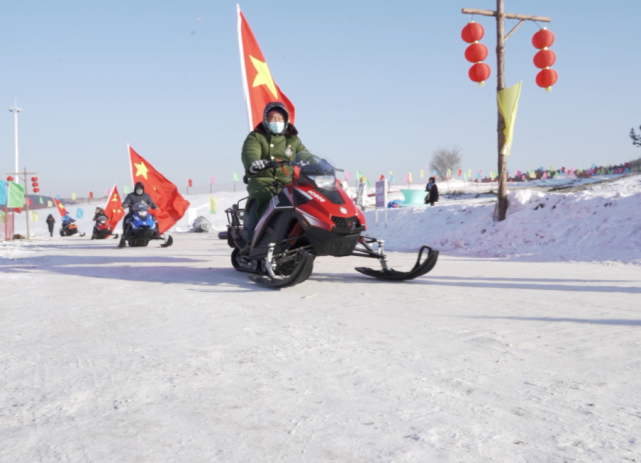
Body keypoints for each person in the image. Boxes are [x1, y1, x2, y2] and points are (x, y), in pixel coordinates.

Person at [239, 101, 307, 255]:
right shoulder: (256, 136)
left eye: (280, 118)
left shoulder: (293, 140)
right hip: (263, 180)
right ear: (265, 120)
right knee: (263, 199)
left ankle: (301, 238)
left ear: (286, 121)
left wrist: (315, 165)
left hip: (288, 181)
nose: (276, 122)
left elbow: (305, 155)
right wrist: (254, 163)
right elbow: (249, 152)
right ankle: (252, 242)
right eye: (272, 118)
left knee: (305, 200)